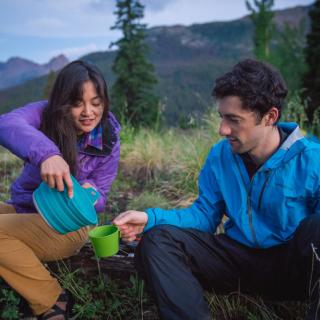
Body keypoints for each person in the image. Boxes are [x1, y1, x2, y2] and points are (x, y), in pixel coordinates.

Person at [114, 59, 320, 320]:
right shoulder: (221, 155)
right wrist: (150, 219)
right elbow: (204, 216)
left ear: (270, 116)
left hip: (295, 269)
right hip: (238, 262)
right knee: (159, 241)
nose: (222, 130)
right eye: (222, 117)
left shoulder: (312, 159)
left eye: (234, 120)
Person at [0, 60, 120, 319]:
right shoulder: (45, 115)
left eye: (96, 102)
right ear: (63, 102)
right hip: (26, 208)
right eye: (78, 103)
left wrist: (91, 194)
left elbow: (102, 193)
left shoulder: (107, 137)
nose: (88, 112)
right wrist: (47, 155)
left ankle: (52, 300)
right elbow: (6, 123)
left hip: (67, 225)